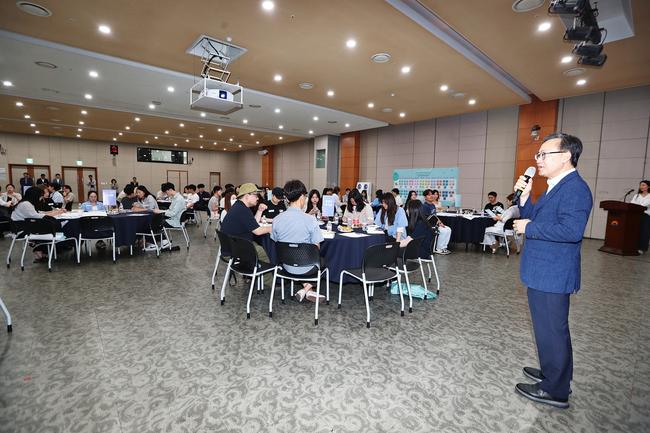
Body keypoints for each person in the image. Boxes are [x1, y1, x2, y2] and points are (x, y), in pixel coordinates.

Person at [512, 132, 593, 409]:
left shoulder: (575, 189)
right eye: (538, 154)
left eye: (544, 154)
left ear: (566, 156)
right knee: (548, 329)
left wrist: (530, 227)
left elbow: (571, 231)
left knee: (552, 331)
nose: (538, 159)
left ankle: (555, 390)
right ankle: (554, 374)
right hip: (543, 271)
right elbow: (535, 217)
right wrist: (525, 198)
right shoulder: (555, 186)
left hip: (552, 274)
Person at [271, 179, 325, 303]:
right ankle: (307, 289)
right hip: (306, 267)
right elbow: (316, 249)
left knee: (299, 259)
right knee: (323, 259)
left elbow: (276, 241)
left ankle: (306, 290)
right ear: (301, 197)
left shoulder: (277, 219)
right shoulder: (310, 220)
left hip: (286, 265)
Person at [220, 183, 273, 277]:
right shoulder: (243, 210)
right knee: (262, 252)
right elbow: (258, 231)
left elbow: (253, 225)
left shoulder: (239, 207)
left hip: (231, 247)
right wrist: (274, 227)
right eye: (255, 195)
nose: (258, 198)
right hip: (237, 250)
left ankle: (254, 276)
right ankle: (267, 282)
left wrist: (259, 211)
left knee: (258, 246)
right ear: (247, 196)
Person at [11, 187, 65, 261]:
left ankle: (43, 250)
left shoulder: (27, 203)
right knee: (51, 227)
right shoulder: (26, 204)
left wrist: (54, 212)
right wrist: (55, 213)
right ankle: (40, 250)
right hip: (21, 230)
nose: (41, 198)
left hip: (24, 226)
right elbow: (37, 216)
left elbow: (38, 213)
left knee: (50, 226)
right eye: (40, 196)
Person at [422, 189, 452, 255]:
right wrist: (438, 223)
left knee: (448, 229)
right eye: (429, 195)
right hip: (429, 225)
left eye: (431, 194)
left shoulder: (433, 205)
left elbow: (435, 216)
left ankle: (443, 247)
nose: (431, 196)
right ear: (425, 197)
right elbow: (429, 218)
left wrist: (441, 223)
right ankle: (438, 249)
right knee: (443, 231)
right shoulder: (425, 206)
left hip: (435, 224)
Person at [630, 180, 650, 254]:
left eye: (643, 185)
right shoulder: (637, 195)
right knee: (635, 231)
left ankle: (642, 248)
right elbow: (632, 204)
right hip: (636, 215)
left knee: (644, 232)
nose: (641, 186)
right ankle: (633, 246)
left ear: (648, 186)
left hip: (646, 216)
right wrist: (637, 206)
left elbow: (645, 205)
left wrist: (637, 205)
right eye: (640, 185)